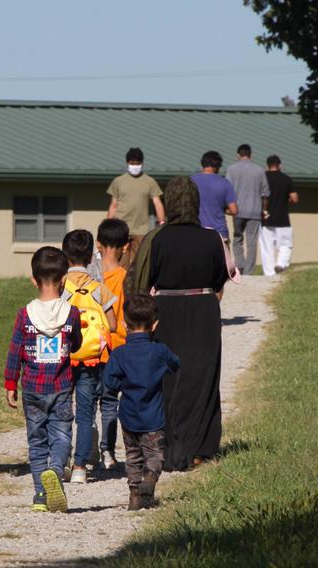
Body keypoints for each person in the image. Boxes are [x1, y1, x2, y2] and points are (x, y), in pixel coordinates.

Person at [132, 176, 229, 471]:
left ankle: (170, 447)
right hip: (204, 310)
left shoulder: (156, 238)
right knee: (202, 378)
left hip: (167, 312)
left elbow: (141, 281)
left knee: (168, 379)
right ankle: (199, 449)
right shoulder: (212, 238)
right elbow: (219, 278)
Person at [4, 247, 82, 513]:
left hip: (33, 389)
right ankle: (57, 471)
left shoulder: (25, 316)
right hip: (60, 387)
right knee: (61, 435)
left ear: (34, 280)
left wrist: (10, 383)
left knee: (36, 441)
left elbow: (15, 352)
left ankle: (40, 494)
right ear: (64, 280)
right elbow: (77, 344)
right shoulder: (72, 314)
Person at [102, 294, 179, 510]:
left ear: (125, 325)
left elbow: (109, 382)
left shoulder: (119, 354)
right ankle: (150, 479)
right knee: (154, 454)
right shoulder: (160, 351)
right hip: (153, 417)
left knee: (133, 456)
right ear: (155, 325)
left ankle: (134, 496)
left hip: (128, 416)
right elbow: (176, 364)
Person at [61, 229, 118, 484]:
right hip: (91, 359)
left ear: (65, 255)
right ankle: (80, 467)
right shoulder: (99, 288)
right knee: (86, 414)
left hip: (63, 358)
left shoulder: (61, 286)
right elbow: (114, 325)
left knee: (62, 411)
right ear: (90, 257)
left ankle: (58, 461)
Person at [95, 219, 130, 471]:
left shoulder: (90, 278)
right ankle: (107, 450)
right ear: (126, 247)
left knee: (86, 402)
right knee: (110, 402)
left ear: (98, 244)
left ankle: (84, 450)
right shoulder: (126, 279)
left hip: (90, 347)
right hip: (117, 349)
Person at [106, 147, 165, 267]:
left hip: (141, 230)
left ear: (142, 163)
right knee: (121, 263)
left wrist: (162, 222)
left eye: (137, 163)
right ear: (127, 163)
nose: (135, 166)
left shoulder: (149, 181)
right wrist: (108, 226)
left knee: (139, 263)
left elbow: (158, 203)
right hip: (121, 228)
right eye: (132, 163)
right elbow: (113, 205)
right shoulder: (118, 181)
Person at [226, 144, 269, 275]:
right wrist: (265, 211)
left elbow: (227, 189)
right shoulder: (259, 170)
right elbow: (265, 193)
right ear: (251, 154)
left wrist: (227, 207)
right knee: (252, 241)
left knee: (237, 238)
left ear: (238, 155)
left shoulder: (232, 169)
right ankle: (249, 271)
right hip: (255, 211)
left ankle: (240, 265)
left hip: (238, 210)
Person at [259, 155, 298, 276]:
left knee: (267, 248)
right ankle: (281, 263)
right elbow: (295, 198)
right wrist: (288, 200)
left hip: (266, 219)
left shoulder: (262, 178)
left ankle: (269, 274)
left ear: (267, 165)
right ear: (279, 165)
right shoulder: (286, 179)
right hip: (283, 219)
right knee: (286, 244)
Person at [190, 151, 238, 244]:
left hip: (196, 231)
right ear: (218, 166)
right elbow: (234, 210)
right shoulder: (224, 183)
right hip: (219, 233)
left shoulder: (191, 181)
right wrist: (222, 209)